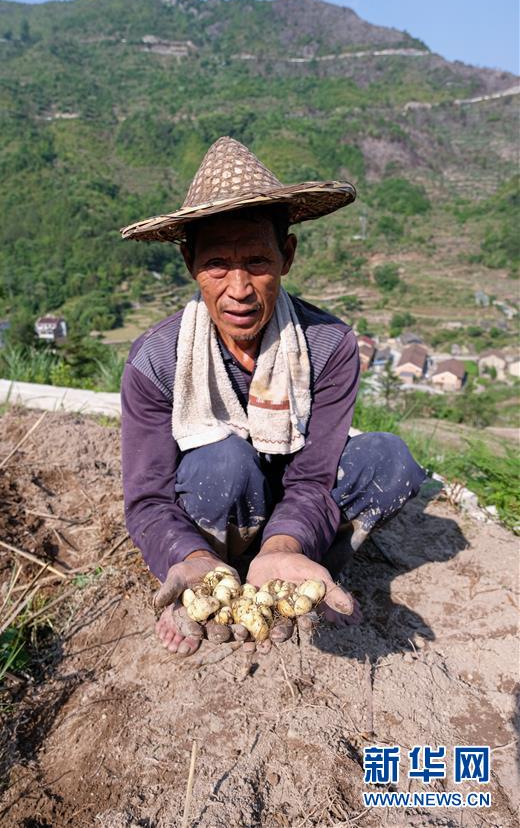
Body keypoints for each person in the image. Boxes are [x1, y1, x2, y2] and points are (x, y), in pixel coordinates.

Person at [120, 137, 426, 657]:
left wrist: (283, 544)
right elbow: (147, 498)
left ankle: (285, 575)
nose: (239, 288)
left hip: (290, 509)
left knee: (389, 460)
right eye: (217, 263)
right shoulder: (156, 360)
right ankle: (207, 583)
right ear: (189, 261)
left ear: (287, 255)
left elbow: (312, 478)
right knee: (225, 462)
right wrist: (189, 556)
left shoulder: (328, 346)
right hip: (217, 511)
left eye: (258, 261)